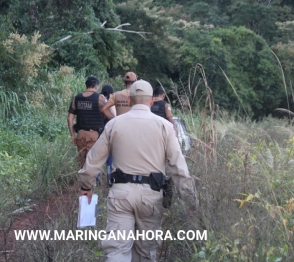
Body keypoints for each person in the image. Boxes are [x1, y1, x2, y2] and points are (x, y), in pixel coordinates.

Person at [78, 80, 198, 261]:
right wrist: (191, 200)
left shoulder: (114, 124)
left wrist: (86, 186)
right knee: (146, 253)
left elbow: (93, 160)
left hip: (120, 196)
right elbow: (178, 167)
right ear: (151, 102)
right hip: (151, 197)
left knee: (117, 251)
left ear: (130, 101)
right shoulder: (164, 126)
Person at [67, 76, 107, 168]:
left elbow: (70, 118)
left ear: (86, 85)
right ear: (96, 87)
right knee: (93, 164)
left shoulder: (77, 98)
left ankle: (82, 182)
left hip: (80, 135)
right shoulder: (100, 98)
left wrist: (73, 135)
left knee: (81, 164)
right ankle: (93, 182)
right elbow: (108, 112)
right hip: (94, 135)